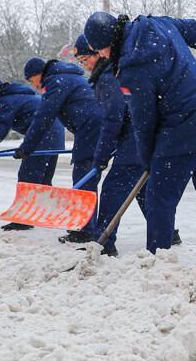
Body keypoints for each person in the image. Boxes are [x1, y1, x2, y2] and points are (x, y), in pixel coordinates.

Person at [83, 12, 196, 255]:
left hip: (180, 132)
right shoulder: (157, 24)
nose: (101, 55)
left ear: (110, 42)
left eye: (100, 50)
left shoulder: (132, 66)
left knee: (158, 199)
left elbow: (144, 122)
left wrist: (147, 159)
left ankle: (157, 262)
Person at [71, 35, 181, 255]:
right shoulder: (115, 71)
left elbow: (114, 117)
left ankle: (104, 243)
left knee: (114, 188)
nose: (84, 65)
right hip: (145, 137)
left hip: (136, 141)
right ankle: (167, 234)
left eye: (85, 59)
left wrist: (101, 157)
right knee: (143, 190)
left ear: (97, 54)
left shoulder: (107, 76)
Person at [15, 56, 104, 242]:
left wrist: (27, 146)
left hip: (90, 126)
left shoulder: (55, 81)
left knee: (83, 174)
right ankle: (86, 226)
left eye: (32, 81)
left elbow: (44, 115)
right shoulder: (67, 76)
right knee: (86, 173)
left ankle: (86, 229)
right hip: (95, 125)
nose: (35, 86)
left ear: (38, 74)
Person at [0, 75, 65, 231]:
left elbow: (0, 129)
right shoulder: (21, 96)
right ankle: (45, 212)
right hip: (55, 136)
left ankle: (24, 220)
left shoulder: (6, 101)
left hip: (42, 137)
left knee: (28, 177)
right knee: (42, 179)